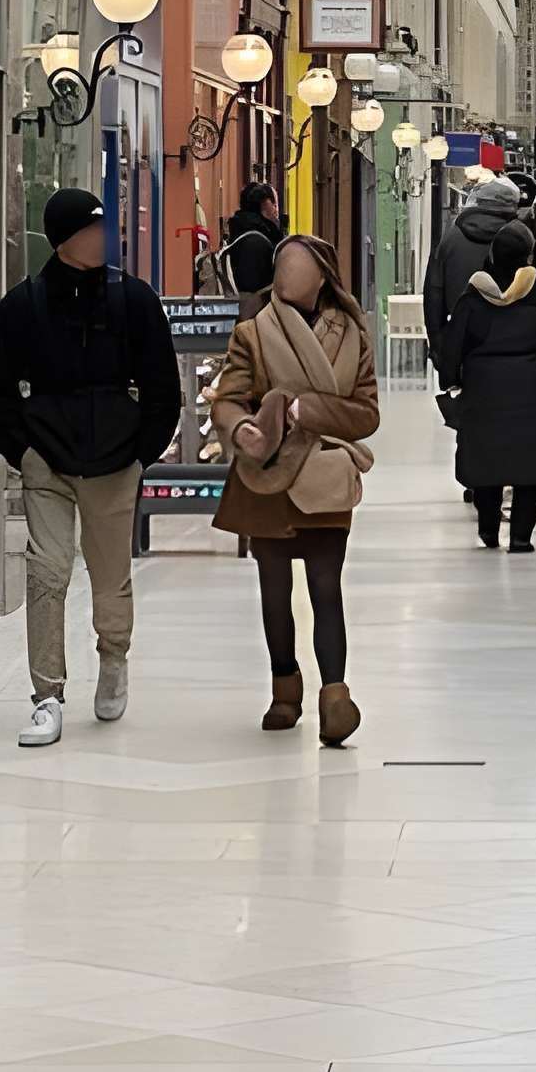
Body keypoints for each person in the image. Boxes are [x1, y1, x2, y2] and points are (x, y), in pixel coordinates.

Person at [0, 187, 181, 749]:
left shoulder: (134, 300)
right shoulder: (25, 305)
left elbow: (164, 386)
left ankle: (113, 657)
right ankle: (47, 694)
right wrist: (23, 453)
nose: (104, 238)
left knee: (111, 574)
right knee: (46, 572)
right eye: (92, 229)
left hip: (116, 461)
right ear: (66, 239)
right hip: (48, 460)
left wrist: (144, 452)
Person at [207, 234, 379, 745]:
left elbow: (366, 413)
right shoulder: (253, 333)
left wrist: (310, 410)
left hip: (323, 475)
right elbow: (229, 397)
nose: (287, 276)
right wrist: (241, 430)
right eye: (283, 266)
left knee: (326, 587)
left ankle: (335, 694)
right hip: (266, 476)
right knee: (274, 591)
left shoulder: (352, 333)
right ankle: (285, 687)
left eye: (298, 267)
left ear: (322, 275)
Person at [440, 219, 536, 552]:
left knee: (487, 461)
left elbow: (453, 346)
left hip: (484, 392)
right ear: (528, 256)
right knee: (532, 466)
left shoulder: (474, 297)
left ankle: (488, 528)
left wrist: (451, 380)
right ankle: (521, 536)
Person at [422, 173, 522, 361]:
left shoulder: (450, 238)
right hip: (513, 346)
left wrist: (439, 347)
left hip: (463, 343)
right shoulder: (521, 239)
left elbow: (433, 295)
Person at [224, 179, 284, 322]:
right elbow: (253, 289)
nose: (277, 209)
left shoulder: (245, 232)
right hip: (255, 318)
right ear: (264, 204)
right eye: (274, 203)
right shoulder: (255, 242)